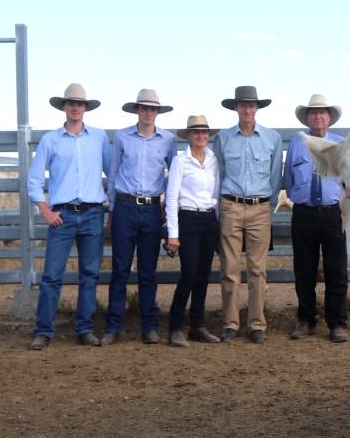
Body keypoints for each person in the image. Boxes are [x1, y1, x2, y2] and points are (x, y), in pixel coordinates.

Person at [27, 83, 113, 350]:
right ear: (64, 107)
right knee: (52, 274)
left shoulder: (98, 138)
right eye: (71, 103)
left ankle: (85, 329)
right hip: (61, 215)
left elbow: (113, 174)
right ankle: (43, 330)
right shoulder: (50, 140)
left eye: (80, 103)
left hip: (92, 213)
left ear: (86, 108)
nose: (75, 107)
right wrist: (45, 210)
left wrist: (110, 206)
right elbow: (33, 179)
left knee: (90, 273)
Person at [101, 89, 177, 345]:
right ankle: (113, 326)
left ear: (157, 112)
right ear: (137, 110)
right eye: (144, 108)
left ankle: (149, 326)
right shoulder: (122, 137)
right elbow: (112, 174)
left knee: (148, 271)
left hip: (152, 208)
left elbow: (174, 177)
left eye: (152, 109)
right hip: (124, 205)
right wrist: (111, 208)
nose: (148, 113)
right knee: (120, 269)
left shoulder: (168, 140)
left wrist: (168, 210)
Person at [211, 86, 283, 344]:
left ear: (257, 108)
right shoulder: (222, 139)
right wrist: (224, 205)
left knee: (257, 269)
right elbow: (218, 173)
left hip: (260, 207)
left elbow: (275, 177)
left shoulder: (272, 138)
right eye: (243, 105)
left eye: (252, 105)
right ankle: (230, 323)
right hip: (231, 205)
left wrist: (266, 204)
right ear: (236, 108)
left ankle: (257, 324)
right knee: (229, 268)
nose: (248, 109)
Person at [285, 94, 350, 342]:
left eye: (323, 112)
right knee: (304, 270)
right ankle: (305, 320)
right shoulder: (296, 144)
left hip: (334, 214)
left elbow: (348, 181)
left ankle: (337, 323)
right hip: (304, 213)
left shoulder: (341, 146)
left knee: (336, 270)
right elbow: (288, 180)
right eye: (314, 113)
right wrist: (302, 200)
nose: (318, 116)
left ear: (330, 118)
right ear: (308, 118)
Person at [164, 115, 223, 347]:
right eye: (196, 132)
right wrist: (173, 233)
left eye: (204, 132)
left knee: (203, 275)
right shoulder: (181, 162)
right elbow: (171, 197)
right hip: (187, 217)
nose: (201, 136)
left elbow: (216, 194)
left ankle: (197, 325)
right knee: (189, 274)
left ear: (209, 136)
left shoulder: (213, 160)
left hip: (209, 219)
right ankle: (175, 326)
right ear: (188, 136)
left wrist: (217, 225)